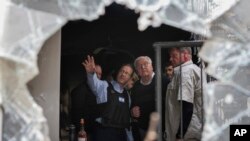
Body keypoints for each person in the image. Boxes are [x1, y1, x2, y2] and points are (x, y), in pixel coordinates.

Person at [82, 55, 134, 141]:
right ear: (118, 72)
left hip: (121, 135)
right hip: (103, 134)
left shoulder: (127, 95)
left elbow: (127, 121)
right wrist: (91, 74)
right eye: (122, 71)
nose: (123, 74)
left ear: (129, 78)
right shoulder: (104, 86)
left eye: (127, 73)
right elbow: (93, 83)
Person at [165, 47, 203, 141]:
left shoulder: (185, 72)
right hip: (191, 132)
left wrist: (180, 135)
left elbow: (187, 107)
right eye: (170, 56)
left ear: (186, 55)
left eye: (174, 56)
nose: (170, 59)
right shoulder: (192, 70)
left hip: (186, 135)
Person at [130, 56, 169, 141]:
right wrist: (132, 111)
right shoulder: (136, 86)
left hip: (162, 129)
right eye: (139, 66)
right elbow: (133, 104)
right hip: (144, 129)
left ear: (151, 66)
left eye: (145, 64)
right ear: (137, 71)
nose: (143, 67)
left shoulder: (163, 80)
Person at [70, 64, 102, 140]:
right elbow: (77, 116)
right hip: (85, 134)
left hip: (95, 133)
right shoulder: (80, 91)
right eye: (95, 73)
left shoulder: (98, 91)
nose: (98, 76)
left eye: (100, 74)